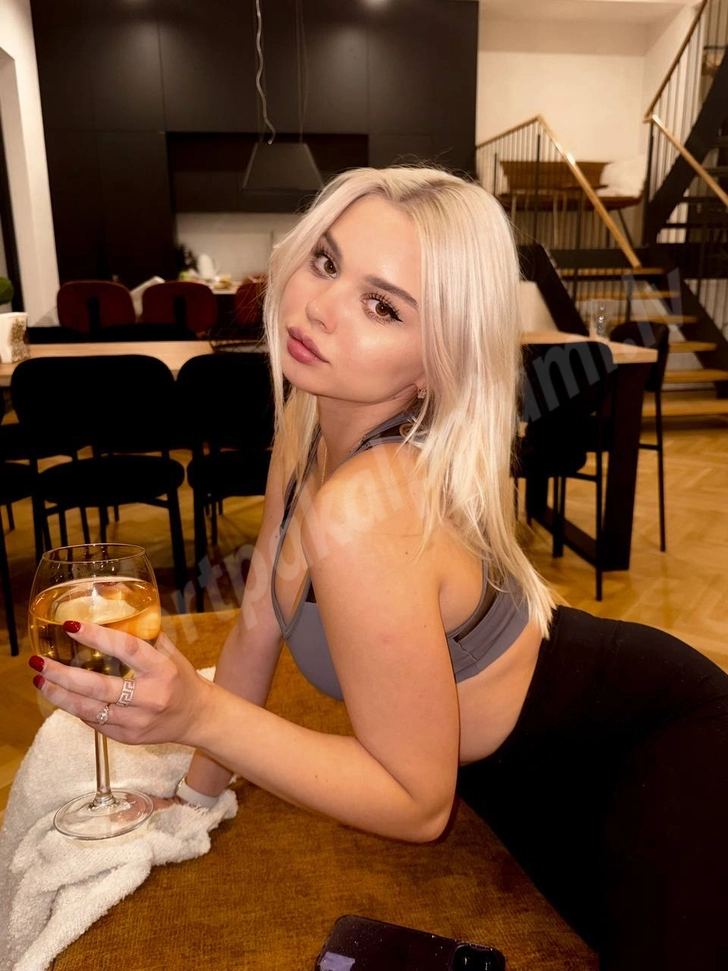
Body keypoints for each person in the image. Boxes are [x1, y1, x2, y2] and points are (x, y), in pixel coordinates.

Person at [30, 166, 728, 970]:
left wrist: (198, 713)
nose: (319, 307)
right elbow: (256, 624)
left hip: (643, 745)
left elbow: (417, 803)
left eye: (383, 306)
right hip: (518, 781)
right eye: (327, 262)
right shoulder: (310, 418)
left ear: (433, 364)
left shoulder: (371, 505)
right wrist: (192, 798)